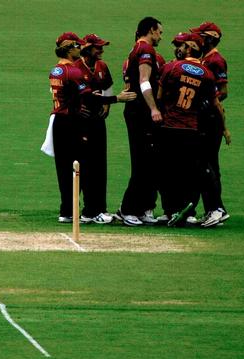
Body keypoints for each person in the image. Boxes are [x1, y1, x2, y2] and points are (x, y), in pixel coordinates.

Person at [49, 33, 135, 224]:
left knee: (65, 168)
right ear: (70, 48)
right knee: (86, 165)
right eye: (77, 47)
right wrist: (116, 99)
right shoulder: (73, 71)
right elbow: (88, 98)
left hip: (59, 122)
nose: (79, 50)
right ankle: (92, 211)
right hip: (73, 123)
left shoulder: (56, 70)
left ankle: (67, 211)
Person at [156, 33, 229, 226]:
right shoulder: (206, 73)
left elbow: (159, 97)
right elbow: (216, 104)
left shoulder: (170, 67)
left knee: (169, 171)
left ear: (188, 49)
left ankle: (172, 210)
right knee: (192, 171)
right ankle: (189, 211)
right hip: (192, 129)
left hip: (170, 127)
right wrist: (224, 129)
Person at [114, 17, 164, 226]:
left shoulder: (137, 49)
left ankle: (143, 207)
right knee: (142, 162)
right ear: (151, 30)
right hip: (139, 112)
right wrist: (153, 108)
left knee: (148, 161)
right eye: (160, 32)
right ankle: (127, 210)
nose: (161, 36)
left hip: (137, 112)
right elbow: (144, 81)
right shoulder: (145, 50)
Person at [189, 22, 231, 227]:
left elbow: (223, 92)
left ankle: (217, 209)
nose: (196, 40)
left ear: (210, 38)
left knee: (208, 165)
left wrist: (202, 103)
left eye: (200, 37)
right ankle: (212, 209)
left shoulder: (216, 60)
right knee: (206, 164)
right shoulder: (205, 59)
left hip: (210, 120)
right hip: (205, 119)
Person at [73, 33, 114, 223]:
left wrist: (106, 105)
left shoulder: (102, 66)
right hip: (82, 123)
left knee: (100, 164)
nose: (102, 51)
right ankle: (88, 210)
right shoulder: (76, 68)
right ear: (87, 49)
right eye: (98, 47)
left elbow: (108, 87)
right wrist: (75, 107)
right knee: (86, 165)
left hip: (98, 122)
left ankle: (100, 208)